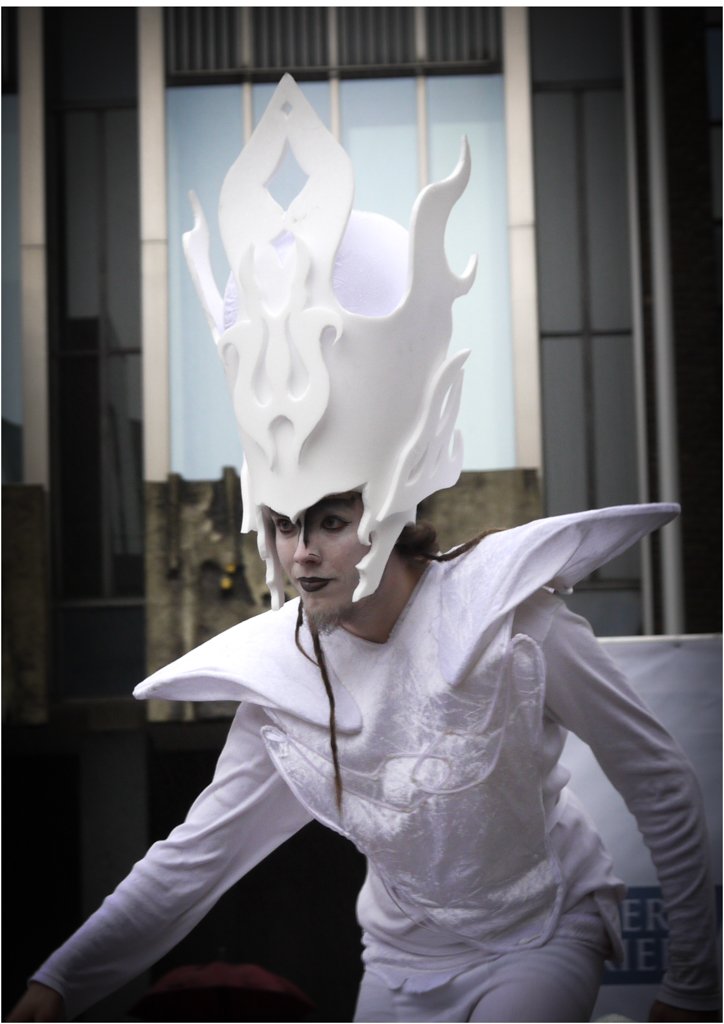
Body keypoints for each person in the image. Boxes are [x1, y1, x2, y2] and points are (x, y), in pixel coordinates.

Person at [9, 75, 720, 1023]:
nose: (302, 552)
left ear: (385, 510)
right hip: (397, 962)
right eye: (283, 523)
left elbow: (659, 780)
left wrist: (693, 988)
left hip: (542, 935)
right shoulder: (285, 685)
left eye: (330, 521)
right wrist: (55, 982)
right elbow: (193, 860)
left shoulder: (512, 622)